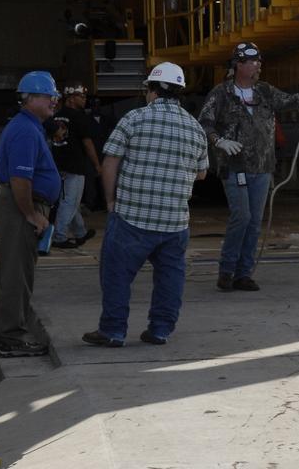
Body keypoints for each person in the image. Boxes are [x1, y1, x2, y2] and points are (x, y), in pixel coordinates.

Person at [82, 63, 209, 348]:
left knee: (117, 275)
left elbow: (110, 163)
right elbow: (201, 173)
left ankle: (113, 331)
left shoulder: (134, 119)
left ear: (151, 90)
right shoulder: (195, 127)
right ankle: (160, 330)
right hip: (175, 222)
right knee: (170, 278)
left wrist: (110, 201)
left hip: (132, 218)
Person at [198, 41, 299, 292]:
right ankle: (227, 270)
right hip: (234, 167)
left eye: (259, 60)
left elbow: (296, 102)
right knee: (242, 217)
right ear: (238, 65)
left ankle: (243, 274)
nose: (258, 65)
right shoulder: (221, 94)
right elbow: (204, 123)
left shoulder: (265, 91)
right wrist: (219, 141)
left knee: (254, 221)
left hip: (262, 168)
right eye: (252, 61)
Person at [0, 71, 63, 358]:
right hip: (20, 206)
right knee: (15, 273)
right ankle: (9, 338)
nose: (54, 101)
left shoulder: (30, 127)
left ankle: (10, 333)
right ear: (30, 98)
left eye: (54, 96)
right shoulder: (25, 131)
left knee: (18, 271)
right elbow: (21, 179)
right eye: (49, 96)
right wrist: (31, 214)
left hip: (20, 205)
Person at [46, 84, 101, 249]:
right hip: (75, 165)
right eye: (81, 97)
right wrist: (97, 165)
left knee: (69, 199)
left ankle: (80, 233)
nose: (84, 100)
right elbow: (87, 143)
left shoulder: (55, 116)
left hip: (58, 165)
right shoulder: (79, 117)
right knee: (70, 201)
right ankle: (59, 236)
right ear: (71, 98)